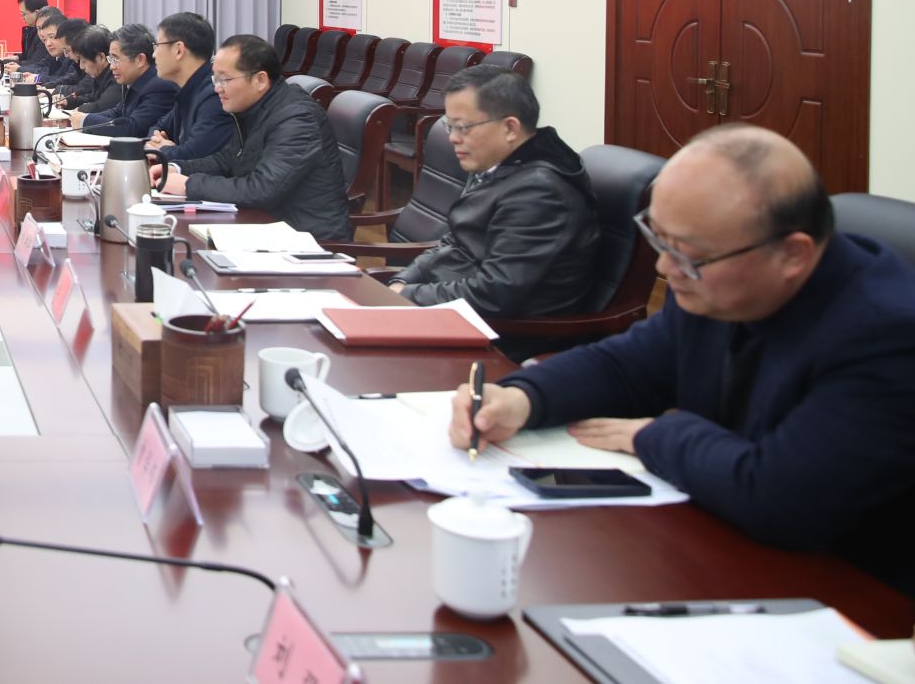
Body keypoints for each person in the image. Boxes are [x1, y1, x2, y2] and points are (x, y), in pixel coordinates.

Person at [449, 126, 915, 595]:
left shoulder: (886, 335)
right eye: (661, 240)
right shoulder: (716, 281)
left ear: (793, 254)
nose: (664, 269)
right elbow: (628, 366)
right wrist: (522, 398)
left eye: (687, 255)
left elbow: (780, 498)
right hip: (719, 538)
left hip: (847, 596)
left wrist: (655, 435)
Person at [387, 67, 598, 346]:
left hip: (501, 340)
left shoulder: (540, 194)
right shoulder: (499, 164)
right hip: (456, 314)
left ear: (510, 128)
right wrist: (402, 282)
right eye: (450, 126)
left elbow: (493, 295)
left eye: (463, 127)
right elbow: (454, 241)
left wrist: (408, 296)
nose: (453, 138)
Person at [159, 35, 348, 238]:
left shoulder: (298, 119)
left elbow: (261, 189)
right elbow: (227, 160)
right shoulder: (254, 108)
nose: (217, 88)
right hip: (266, 224)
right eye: (215, 79)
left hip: (307, 239)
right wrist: (176, 168)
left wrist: (188, 185)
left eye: (224, 80)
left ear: (260, 80)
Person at [142, 11, 236, 163]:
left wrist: (163, 149)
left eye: (157, 46)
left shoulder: (215, 95)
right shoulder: (188, 90)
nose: (154, 55)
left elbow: (194, 155)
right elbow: (158, 126)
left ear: (178, 50)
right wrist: (159, 142)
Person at [75, 24, 176, 134]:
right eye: (111, 59)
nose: (112, 66)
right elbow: (117, 113)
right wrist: (83, 117)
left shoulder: (160, 86)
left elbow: (134, 128)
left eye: (116, 59)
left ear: (140, 59)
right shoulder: (134, 82)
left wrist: (85, 121)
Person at [58, 24, 119, 115]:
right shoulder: (100, 74)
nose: (81, 66)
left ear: (100, 57)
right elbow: (92, 97)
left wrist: (79, 110)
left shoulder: (116, 76)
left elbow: (101, 107)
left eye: (84, 60)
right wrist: (69, 101)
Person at [11, 0, 48, 72]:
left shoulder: (45, 34)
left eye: (23, 14)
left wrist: (9, 64)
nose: (22, 18)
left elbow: (36, 63)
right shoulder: (32, 31)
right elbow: (31, 56)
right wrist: (17, 57)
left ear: (37, 13)